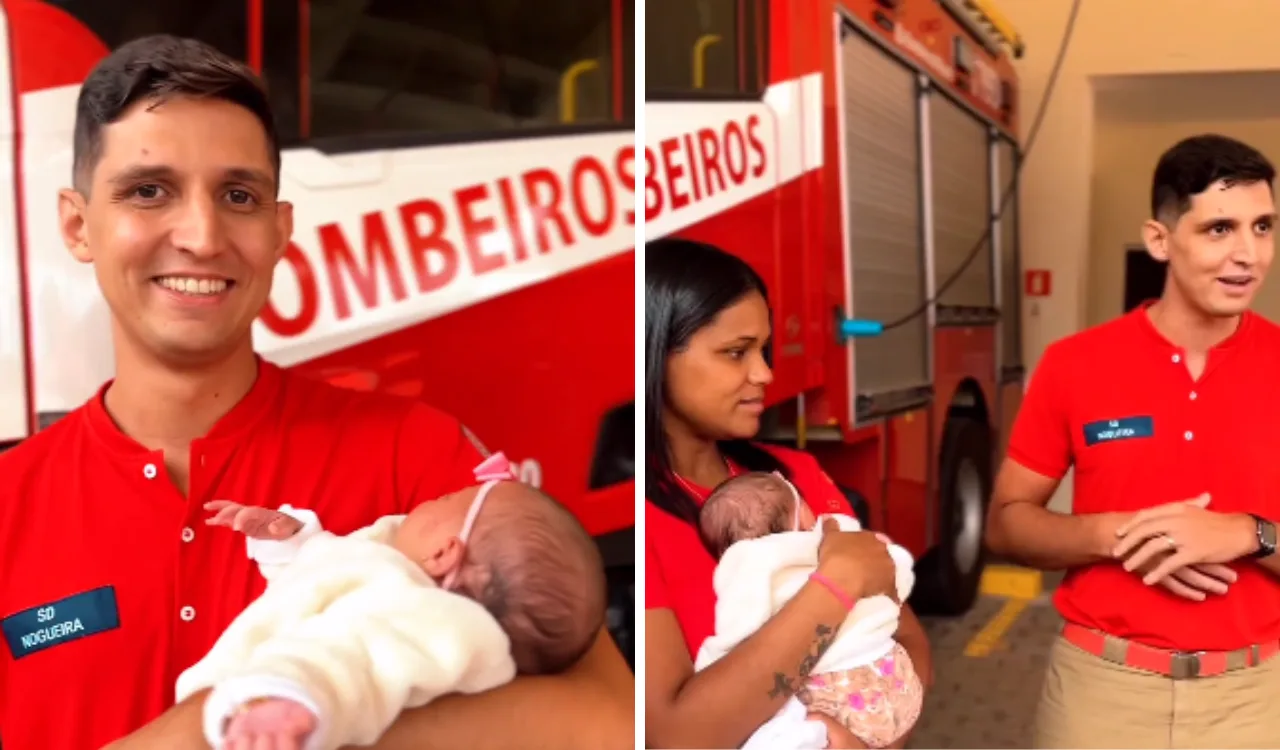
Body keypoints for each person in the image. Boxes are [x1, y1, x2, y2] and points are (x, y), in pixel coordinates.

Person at [0, 34, 631, 750]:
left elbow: (609, 721)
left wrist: (217, 730)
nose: (202, 235)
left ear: (279, 230)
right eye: (149, 191)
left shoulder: (414, 456)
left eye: (238, 195)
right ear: (79, 226)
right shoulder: (9, 505)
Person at [985, 133, 1280, 749]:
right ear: (1159, 240)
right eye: (1219, 229)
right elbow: (1007, 525)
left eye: (1264, 226)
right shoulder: (1075, 365)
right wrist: (1118, 534)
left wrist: (1248, 534)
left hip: (1256, 698)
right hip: (1101, 691)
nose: (1249, 254)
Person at [643, 237, 933, 750]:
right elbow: (678, 736)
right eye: (736, 353)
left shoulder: (794, 476)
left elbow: (908, 647)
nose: (765, 374)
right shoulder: (639, 524)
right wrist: (838, 582)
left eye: (764, 349)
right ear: (653, 352)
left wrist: (869, 738)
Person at [179, 471, 606, 750]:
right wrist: (289, 541)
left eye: (447, 497)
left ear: (443, 552)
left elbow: (351, 656)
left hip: (274, 710)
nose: (434, 497)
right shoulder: (391, 582)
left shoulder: (419, 614)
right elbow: (321, 586)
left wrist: (289, 697)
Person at [696, 472, 922, 749]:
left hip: (833, 700)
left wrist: (710, 662)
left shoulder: (748, 571)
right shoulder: (837, 536)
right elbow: (894, 573)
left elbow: (738, 632)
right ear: (803, 515)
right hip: (895, 680)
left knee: (778, 721)